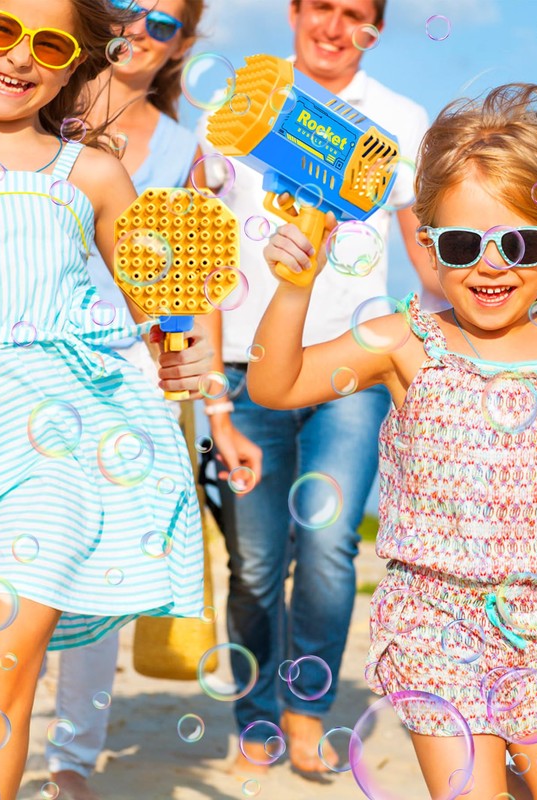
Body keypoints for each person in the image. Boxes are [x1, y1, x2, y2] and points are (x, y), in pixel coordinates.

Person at [247, 83, 537, 798]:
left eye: (519, 243)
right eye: (464, 243)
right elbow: (276, 387)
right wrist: (294, 288)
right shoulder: (408, 341)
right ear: (429, 241)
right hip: (436, 624)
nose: (490, 265)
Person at [0, 1, 212, 796]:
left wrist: (178, 349)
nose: (19, 57)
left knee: (0, 682)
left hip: (60, 445)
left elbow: (159, 301)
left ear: (73, 59)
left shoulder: (90, 172)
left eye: (47, 43)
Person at [197, 0, 430, 774]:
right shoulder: (238, 107)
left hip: (351, 369)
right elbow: (201, 250)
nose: (334, 26)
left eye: (355, 13)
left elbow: (427, 259)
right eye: (320, 7)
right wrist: (211, 389)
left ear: (377, 27)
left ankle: (306, 711)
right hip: (245, 365)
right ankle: (254, 714)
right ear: (294, 12)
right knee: (256, 563)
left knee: (329, 547)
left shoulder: (400, 120)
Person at [42, 3, 262, 798]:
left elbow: (195, 290)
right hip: (25, 367)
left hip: (131, 380)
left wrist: (221, 415)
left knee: (96, 579)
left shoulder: (183, 151)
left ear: (184, 44)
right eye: (128, 8)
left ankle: (71, 759)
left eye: (163, 22)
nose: (139, 29)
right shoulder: (35, 107)